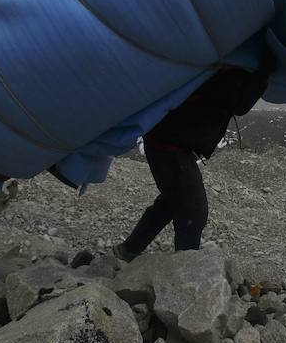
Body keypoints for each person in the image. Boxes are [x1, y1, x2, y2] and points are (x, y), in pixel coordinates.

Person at [113, 51, 276, 261]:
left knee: (172, 200)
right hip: (170, 147)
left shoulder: (214, 60)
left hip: (164, 140)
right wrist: (263, 73)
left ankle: (128, 250)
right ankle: (187, 273)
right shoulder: (224, 73)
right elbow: (240, 104)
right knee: (194, 211)